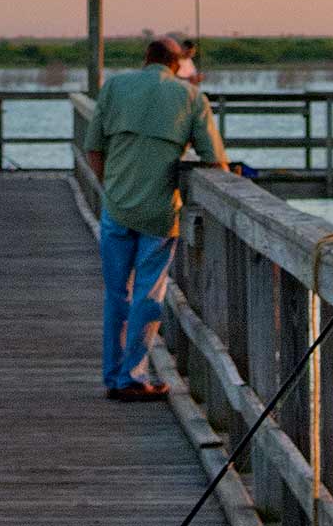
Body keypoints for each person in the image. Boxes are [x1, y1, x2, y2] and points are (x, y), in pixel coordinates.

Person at [84, 38, 228, 402]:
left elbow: (93, 149)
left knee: (117, 294)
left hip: (116, 208)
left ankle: (114, 376)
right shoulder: (192, 98)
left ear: (146, 59)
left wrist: (110, 188)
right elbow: (214, 159)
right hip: (159, 211)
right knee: (148, 293)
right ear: (178, 64)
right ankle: (133, 376)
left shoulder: (115, 86)